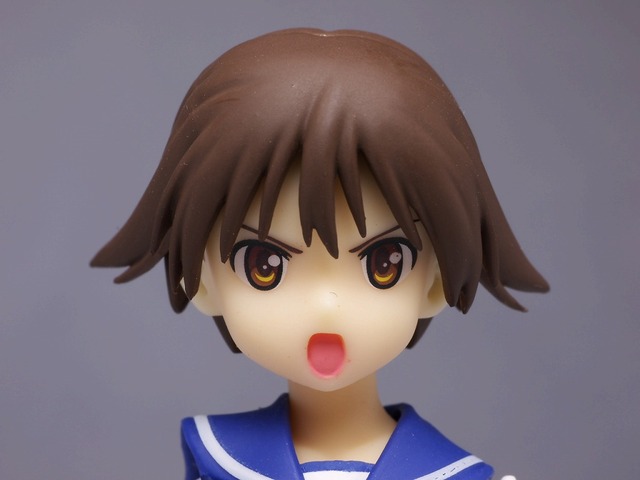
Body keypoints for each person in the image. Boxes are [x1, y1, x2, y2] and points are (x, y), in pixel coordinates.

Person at [92, 28, 548, 480]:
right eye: (265, 266)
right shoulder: (219, 456)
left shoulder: (449, 473)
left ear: (435, 282)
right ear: (203, 281)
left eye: (383, 264)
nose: (325, 307)